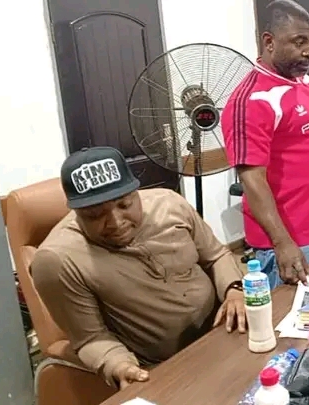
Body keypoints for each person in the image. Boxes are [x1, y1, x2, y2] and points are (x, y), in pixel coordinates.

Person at [31, 147, 246, 389]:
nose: (116, 222)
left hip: (224, 330)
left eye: (124, 205)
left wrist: (234, 290)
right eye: (95, 215)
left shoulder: (169, 204)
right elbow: (91, 337)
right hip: (163, 367)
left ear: (136, 192)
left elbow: (216, 256)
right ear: (76, 212)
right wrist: (119, 366)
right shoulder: (58, 259)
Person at [221, 0, 309, 289]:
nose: (308, 51)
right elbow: (252, 180)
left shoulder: (307, 84)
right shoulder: (251, 100)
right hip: (293, 244)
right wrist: (282, 243)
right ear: (269, 42)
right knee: (293, 319)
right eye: (299, 42)